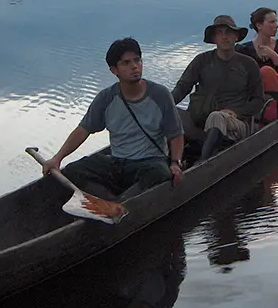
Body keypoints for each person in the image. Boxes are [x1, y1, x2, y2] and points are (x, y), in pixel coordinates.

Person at [43, 37, 184, 206]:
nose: (134, 66)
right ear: (113, 70)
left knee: (161, 173)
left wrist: (175, 162)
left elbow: (176, 134)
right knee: (74, 171)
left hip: (150, 162)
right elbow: (83, 129)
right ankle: (110, 202)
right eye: (126, 63)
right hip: (117, 163)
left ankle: (120, 205)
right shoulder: (106, 98)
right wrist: (57, 158)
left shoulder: (160, 95)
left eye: (137, 60)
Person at [171, 15, 265, 162]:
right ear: (214, 38)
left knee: (216, 117)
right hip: (198, 122)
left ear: (236, 36)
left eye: (228, 32)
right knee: (170, 114)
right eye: (219, 33)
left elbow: (258, 100)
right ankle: (170, 163)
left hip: (233, 125)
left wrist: (236, 112)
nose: (224, 36)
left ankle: (203, 165)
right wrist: (163, 105)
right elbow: (182, 88)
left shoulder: (248, 64)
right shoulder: (201, 60)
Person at [235, 7, 278, 122]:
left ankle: (272, 111)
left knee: (267, 71)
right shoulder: (244, 50)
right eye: (272, 22)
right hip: (253, 97)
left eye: (276, 21)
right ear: (259, 25)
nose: (276, 25)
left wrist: (275, 58)